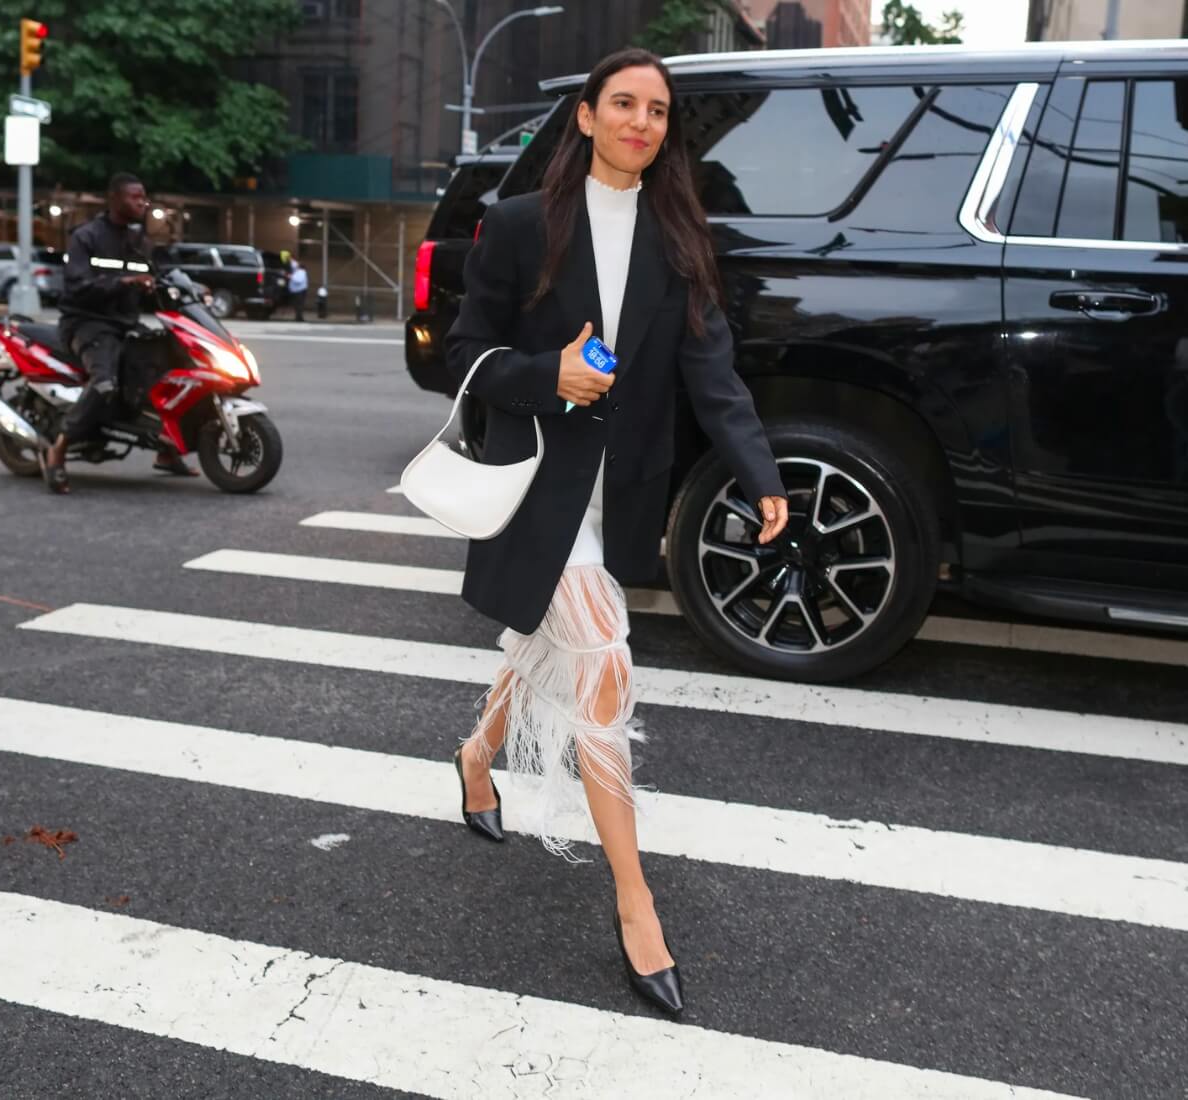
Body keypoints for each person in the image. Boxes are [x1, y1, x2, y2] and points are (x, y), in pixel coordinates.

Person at [445, 48, 789, 1015]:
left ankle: (477, 757)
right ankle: (636, 908)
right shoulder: (520, 227)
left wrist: (759, 471)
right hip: (541, 486)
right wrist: (540, 375)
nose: (642, 120)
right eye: (623, 104)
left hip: (621, 489)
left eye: (658, 110)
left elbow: (711, 371)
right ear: (587, 117)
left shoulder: (679, 240)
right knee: (602, 666)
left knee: (538, 637)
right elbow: (466, 357)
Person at [40, 173, 196, 492]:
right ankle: (58, 450)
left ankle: (166, 451)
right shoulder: (87, 237)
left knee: (174, 366)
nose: (142, 202)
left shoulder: (139, 241)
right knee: (105, 382)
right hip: (86, 322)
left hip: (125, 323)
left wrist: (190, 289)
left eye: (144, 197)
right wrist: (124, 283)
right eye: (135, 197)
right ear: (114, 199)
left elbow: (156, 278)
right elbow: (77, 284)